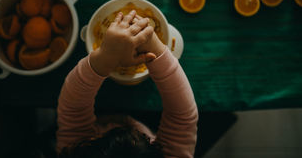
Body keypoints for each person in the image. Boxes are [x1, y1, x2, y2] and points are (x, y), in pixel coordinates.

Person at [56, 10, 198, 157]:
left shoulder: (74, 151)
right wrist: (155, 50)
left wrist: (106, 56)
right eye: (143, 139)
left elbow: (72, 110)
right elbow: (182, 117)